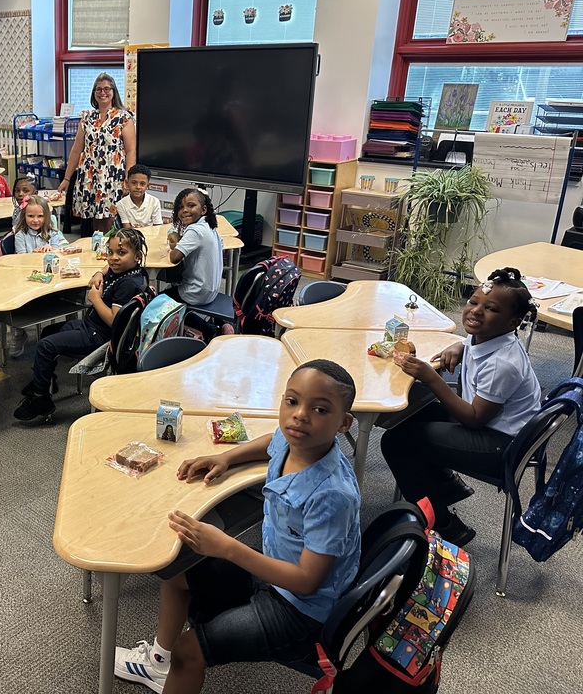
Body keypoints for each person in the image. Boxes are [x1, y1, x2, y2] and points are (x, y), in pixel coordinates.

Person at [114, 360, 361, 694]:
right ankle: (158, 663)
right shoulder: (296, 441)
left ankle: (174, 662)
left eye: (319, 409)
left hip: (300, 611)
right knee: (176, 574)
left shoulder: (333, 494)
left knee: (189, 651)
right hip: (275, 574)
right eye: (292, 401)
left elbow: (306, 581)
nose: (300, 415)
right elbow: (270, 441)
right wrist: (228, 458)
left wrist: (226, 547)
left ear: (343, 423)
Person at [381, 267, 541, 547]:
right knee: (407, 416)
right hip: (490, 425)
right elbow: (476, 345)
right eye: (473, 301)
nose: (476, 311)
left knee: (396, 443)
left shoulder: (503, 364)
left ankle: (444, 524)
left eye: (490, 308)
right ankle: (446, 485)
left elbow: (474, 419)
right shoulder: (488, 337)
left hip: (502, 445)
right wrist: (461, 346)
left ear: (513, 322)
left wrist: (431, 379)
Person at [14, 228, 148, 422]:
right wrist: (98, 273)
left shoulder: (128, 284)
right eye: (110, 253)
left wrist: (95, 299)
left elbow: (114, 320)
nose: (113, 259)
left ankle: (40, 398)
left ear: (137, 256)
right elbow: (107, 268)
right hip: (90, 326)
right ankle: (45, 382)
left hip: (99, 337)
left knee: (45, 346)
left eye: (121, 253)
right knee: (48, 331)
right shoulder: (130, 270)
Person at [57, 73, 136, 234]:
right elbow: (76, 150)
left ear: (114, 92)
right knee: (97, 223)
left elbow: (131, 150)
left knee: (112, 220)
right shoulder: (87, 117)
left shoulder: (123, 117)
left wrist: (129, 178)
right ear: (94, 93)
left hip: (113, 177)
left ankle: (114, 253)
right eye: (98, 89)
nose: (102, 92)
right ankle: (100, 254)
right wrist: (66, 178)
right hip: (90, 176)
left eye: (107, 89)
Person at [166, 188, 223, 307]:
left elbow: (174, 257)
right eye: (180, 207)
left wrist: (174, 244)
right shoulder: (208, 225)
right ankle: (220, 324)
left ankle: (207, 327)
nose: (185, 210)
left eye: (191, 205)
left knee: (157, 301)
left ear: (203, 210)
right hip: (212, 290)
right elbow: (221, 244)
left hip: (196, 293)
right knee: (172, 287)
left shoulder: (194, 230)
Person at [116, 163, 164, 228]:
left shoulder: (154, 202)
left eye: (142, 184)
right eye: (134, 183)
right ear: (127, 184)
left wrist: (143, 230)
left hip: (151, 236)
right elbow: (126, 229)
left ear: (147, 186)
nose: (138, 187)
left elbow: (158, 228)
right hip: (131, 236)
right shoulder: (121, 204)